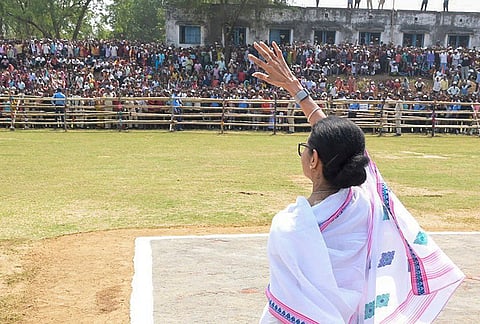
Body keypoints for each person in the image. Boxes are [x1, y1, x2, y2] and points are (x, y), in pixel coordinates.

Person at [248, 41, 464, 324]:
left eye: (306, 147)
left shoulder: (289, 226)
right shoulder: (367, 202)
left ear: (313, 161)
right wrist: (296, 90)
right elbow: (342, 141)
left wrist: (294, 88)